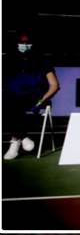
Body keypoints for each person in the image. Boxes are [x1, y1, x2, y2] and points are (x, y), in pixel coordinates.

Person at [2, 32, 60, 160]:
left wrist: (41, 100)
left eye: (27, 43)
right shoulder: (7, 61)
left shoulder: (43, 62)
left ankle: (15, 141)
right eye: (22, 43)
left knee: (18, 106)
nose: (24, 46)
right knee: (8, 103)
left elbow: (54, 85)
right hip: (12, 97)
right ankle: (22, 138)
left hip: (35, 98)